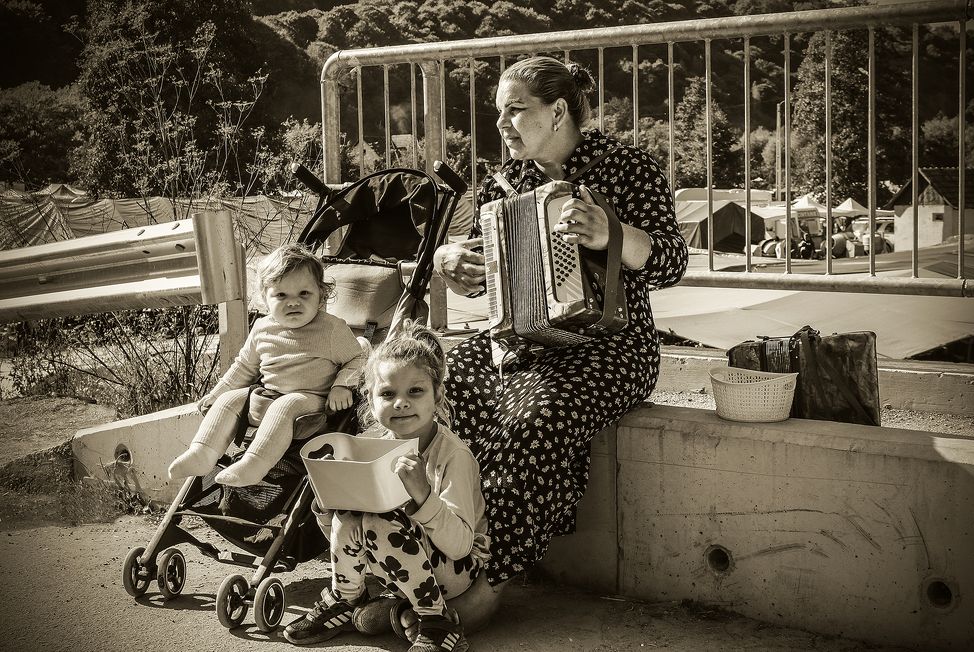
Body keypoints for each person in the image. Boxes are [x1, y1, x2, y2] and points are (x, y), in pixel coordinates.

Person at [369, 55, 689, 638]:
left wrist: (611, 234)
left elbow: (672, 260)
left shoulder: (626, 165)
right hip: (521, 343)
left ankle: (487, 582)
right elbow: (474, 255)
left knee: (535, 420)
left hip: (609, 348)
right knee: (440, 389)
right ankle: (415, 565)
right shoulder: (506, 180)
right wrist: (451, 262)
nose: (503, 125)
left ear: (558, 111)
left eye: (516, 110)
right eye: (500, 114)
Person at [283, 320, 489, 652]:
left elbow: (461, 546)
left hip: (454, 572)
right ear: (370, 398)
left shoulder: (453, 455)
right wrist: (326, 506)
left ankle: (438, 621)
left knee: (378, 520)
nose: (401, 403)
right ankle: (347, 596)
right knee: (349, 510)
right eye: (388, 393)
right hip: (393, 570)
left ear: (438, 396)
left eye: (416, 391)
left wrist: (423, 494)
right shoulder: (368, 446)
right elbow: (346, 535)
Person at [168, 243, 363, 487]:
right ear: (265, 299)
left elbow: (359, 358)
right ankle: (202, 452)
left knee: (286, 404)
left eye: (304, 294)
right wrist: (216, 394)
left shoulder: (331, 329)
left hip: (313, 401)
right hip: (268, 395)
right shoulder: (263, 328)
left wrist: (342, 385)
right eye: (281, 295)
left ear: (321, 295)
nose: (293, 302)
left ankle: (254, 465)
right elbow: (244, 367)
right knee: (229, 401)